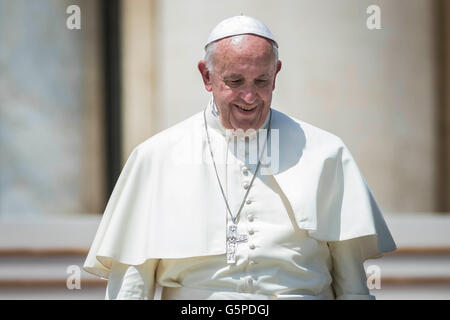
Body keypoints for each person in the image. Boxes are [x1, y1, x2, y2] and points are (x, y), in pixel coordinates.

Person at [83, 15, 396, 300]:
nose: (249, 97)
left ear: (276, 75)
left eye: (261, 81)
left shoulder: (325, 152)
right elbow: (131, 288)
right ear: (207, 76)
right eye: (234, 82)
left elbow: (353, 286)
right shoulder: (156, 157)